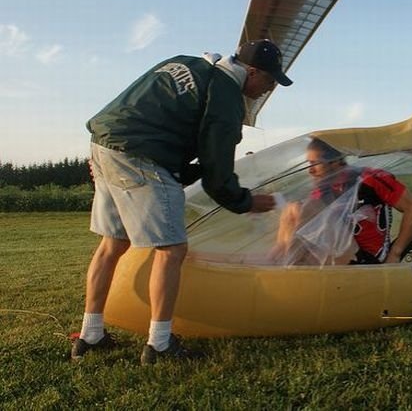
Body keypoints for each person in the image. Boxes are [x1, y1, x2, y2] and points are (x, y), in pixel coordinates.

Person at [71, 39, 292, 364]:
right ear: (252, 71)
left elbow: (155, 122)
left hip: (105, 144)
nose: (268, 89)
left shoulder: (187, 62)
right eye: (270, 81)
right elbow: (218, 170)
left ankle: (90, 336)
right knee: (172, 249)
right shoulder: (227, 95)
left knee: (113, 243)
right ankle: (159, 345)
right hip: (139, 154)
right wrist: (244, 202)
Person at [273, 138, 412, 265]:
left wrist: (395, 254)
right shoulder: (323, 188)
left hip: (367, 259)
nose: (310, 170)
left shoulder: (370, 178)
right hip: (342, 252)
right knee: (292, 208)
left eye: (315, 163)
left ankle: (288, 266)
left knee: (307, 208)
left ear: (335, 162)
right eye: (308, 164)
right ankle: (279, 259)